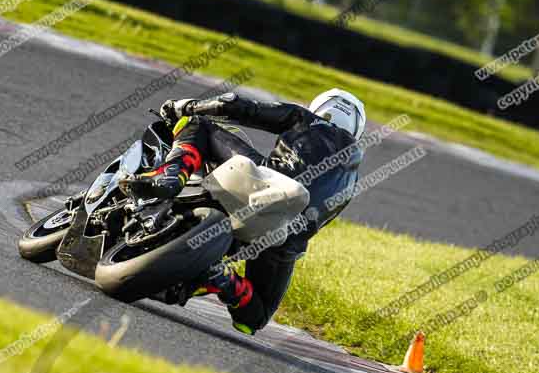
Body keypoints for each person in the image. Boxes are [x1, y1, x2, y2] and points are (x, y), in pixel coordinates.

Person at [119, 89, 365, 335]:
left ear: (320, 107)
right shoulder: (353, 179)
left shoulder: (308, 119)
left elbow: (235, 106)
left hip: (268, 182)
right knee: (254, 318)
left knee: (197, 126)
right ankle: (223, 280)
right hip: (286, 237)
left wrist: (185, 107)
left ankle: (171, 175)